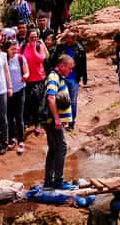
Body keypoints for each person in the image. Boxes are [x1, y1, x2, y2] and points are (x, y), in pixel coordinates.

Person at [43, 55, 75, 189]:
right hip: (52, 121)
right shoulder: (53, 77)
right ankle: (58, 181)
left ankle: (49, 180)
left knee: (53, 149)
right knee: (61, 148)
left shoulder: (58, 77)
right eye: (69, 68)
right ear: (61, 66)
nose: (71, 71)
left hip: (54, 120)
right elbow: (51, 98)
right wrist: (57, 118)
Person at [50, 31, 87, 129]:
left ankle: (71, 122)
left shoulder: (80, 49)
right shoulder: (61, 47)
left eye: (70, 39)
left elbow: (83, 65)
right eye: (67, 39)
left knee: (73, 101)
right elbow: (55, 59)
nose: (68, 41)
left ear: (74, 39)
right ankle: (61, 120)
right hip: (62, 77)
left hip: (74, 78)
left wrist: (84, 78)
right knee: (60, 99)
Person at [5, 40, 30, 154]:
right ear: (7, 49)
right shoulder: (3, 59)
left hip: (20, 90)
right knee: (9, 116)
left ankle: (21, 140)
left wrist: (25, 76)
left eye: (16, 49)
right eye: (12, 49)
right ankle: (12, 138)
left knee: (19, 116)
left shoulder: (21, 58)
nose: (15, 51)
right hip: (7, 92)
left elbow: (27, 72)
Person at [23, 29, 49, 136]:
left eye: (35, 37)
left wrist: (34, 48)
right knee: (28, 101)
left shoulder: (39, 46)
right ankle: (28, 121)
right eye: (31, 37)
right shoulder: (24, 47)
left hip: (39, 78)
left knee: (37, 100)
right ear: (27, 37)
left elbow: (41, 60)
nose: (33, 39)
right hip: (27, 79)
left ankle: (38, 123)